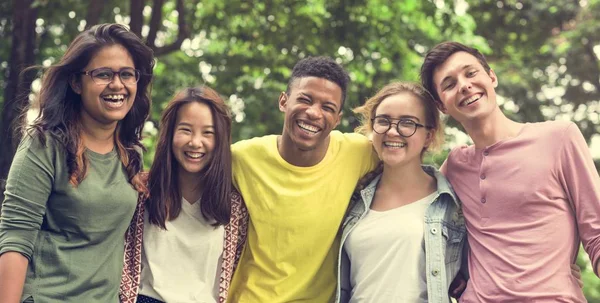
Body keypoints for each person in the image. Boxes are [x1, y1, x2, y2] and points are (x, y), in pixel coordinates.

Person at [420, 41, 600, 302]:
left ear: (491, 77)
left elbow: (596, 232)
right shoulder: (454, 167)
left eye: (470, 73)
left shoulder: (559, 138)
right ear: (442, 106)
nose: (464, 85)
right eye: (449, 84)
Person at [0, 23, 154, 303]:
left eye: (127, 74)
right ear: (75, 82)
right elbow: (15, 239)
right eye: (103, 74)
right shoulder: (44, 145)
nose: (117, 84)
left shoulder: (131, 154)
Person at [228, 56, 379, 302]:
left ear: (338, 119)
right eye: (304, 100)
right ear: (283, 101)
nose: (313, 113)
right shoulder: (241, 157)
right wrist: (146, 178)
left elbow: (405, 162)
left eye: (327, 108)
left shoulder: (359, 153)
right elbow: (187, 175)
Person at [336, 82, 466, 303]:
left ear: (428, 135)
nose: (392, 131)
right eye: (383, 121)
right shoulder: (352, 198)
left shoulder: (451, 203)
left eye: (408, 123)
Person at [134, 86, 247, 303]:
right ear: (170, 133)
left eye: (208, 133)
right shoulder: (142, 191)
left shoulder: (235, 206)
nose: (195, 142)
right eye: (186, 130)